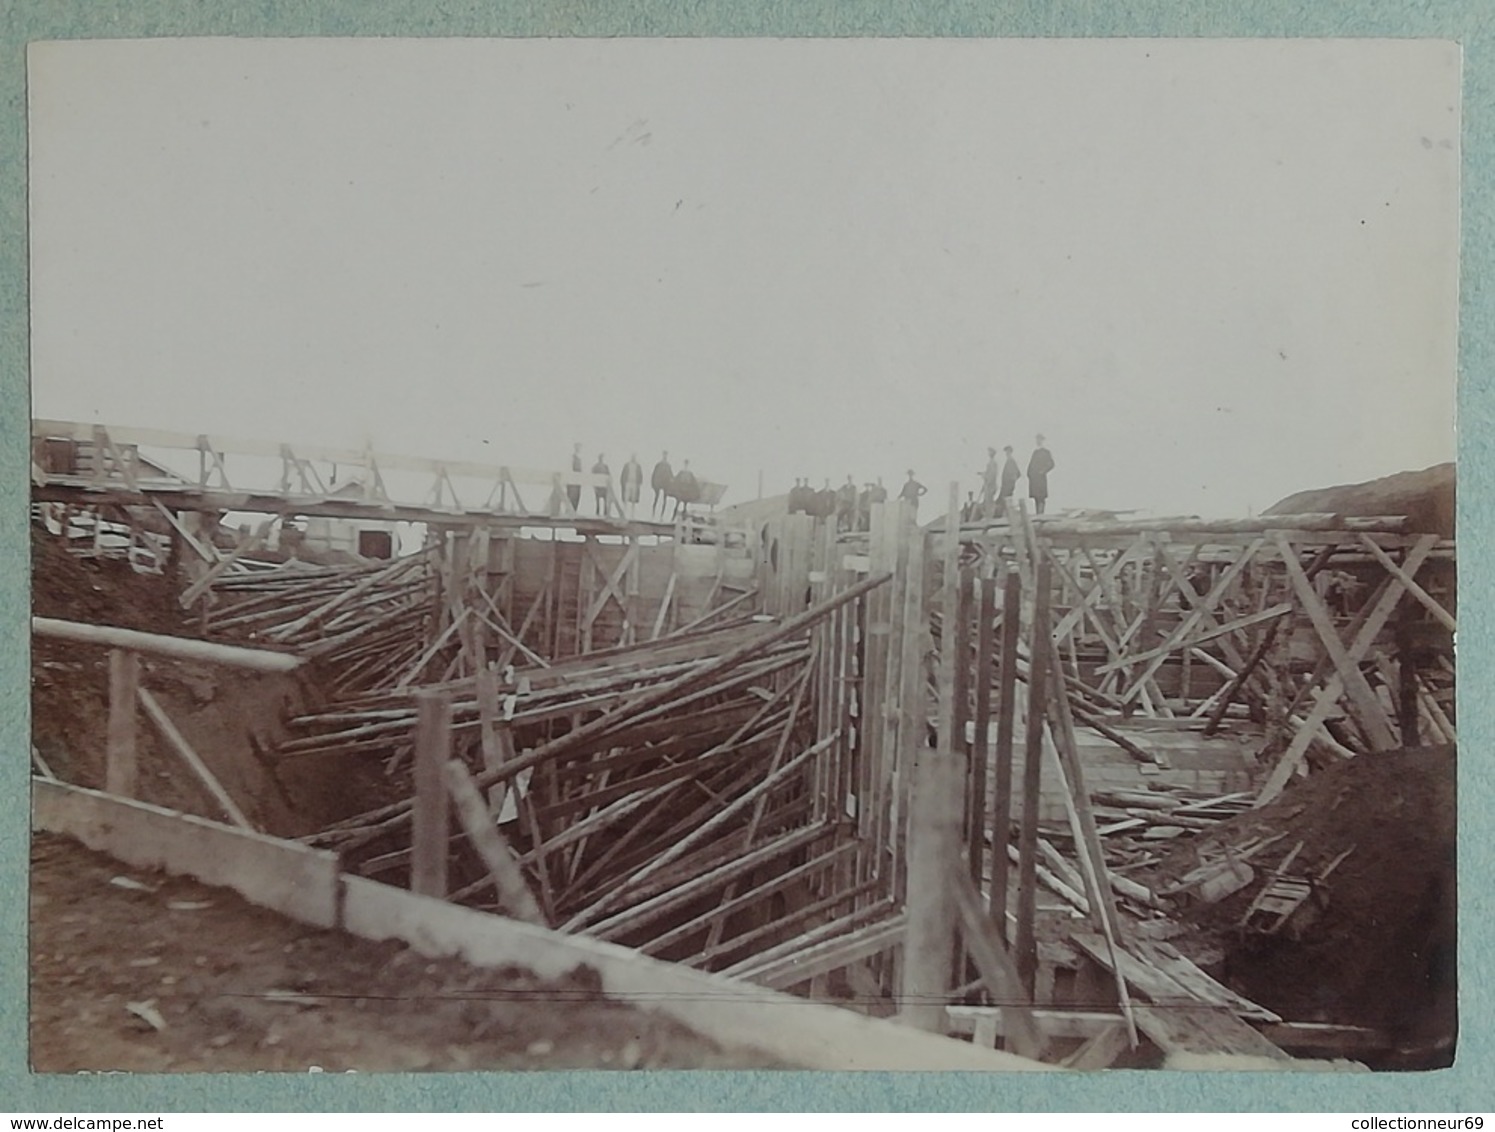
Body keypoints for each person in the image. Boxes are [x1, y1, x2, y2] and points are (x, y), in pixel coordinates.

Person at [1027, 434, 1055, 515]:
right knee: (1036, 497)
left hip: (1041, 479)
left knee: (1041, 497)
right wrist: (1029, 475)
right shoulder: (1035, 452)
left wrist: (1043, 471)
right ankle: (1037, 514)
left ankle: (1041, 514)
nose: (1038, 441)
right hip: (1034, 479)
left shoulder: (1046, 452)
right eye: (1037, 440)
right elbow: (1031, 465)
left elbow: (1051, 464)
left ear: (1042, 441)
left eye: (1039, 440)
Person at [650, 451, 674, 518]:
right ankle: (653, 513)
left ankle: (661, 515)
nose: (665, 457)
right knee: (656, 498)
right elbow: (654, 474)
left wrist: (671, 481)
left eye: (666, 455)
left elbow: (671, 475)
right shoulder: (659, 465)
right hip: (659, 483)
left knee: (664, 499)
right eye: (664, 455)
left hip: (665, 484)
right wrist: (653, 483)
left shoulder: (668, 466)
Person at [980, 447, 1000, 519]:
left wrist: (986, 478)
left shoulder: (993, 463)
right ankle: (988, 516)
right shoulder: (991, 462)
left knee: (989, 501)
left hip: (990, 485)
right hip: (989, 485)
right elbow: (989, 473)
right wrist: (983, 474)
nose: (989, 453)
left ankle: (990, 516)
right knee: (987, 501)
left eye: (990, 452)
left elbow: (993, 474)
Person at [568, 444, 583, 512]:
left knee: (577, 497)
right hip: (573, 480)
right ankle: (571, 511)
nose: (579, 449)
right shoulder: (573, 457)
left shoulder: (579, 458)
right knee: (572, 497)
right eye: (577, 447)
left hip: (578, 480)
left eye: (579, 447)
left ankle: (574, 511)